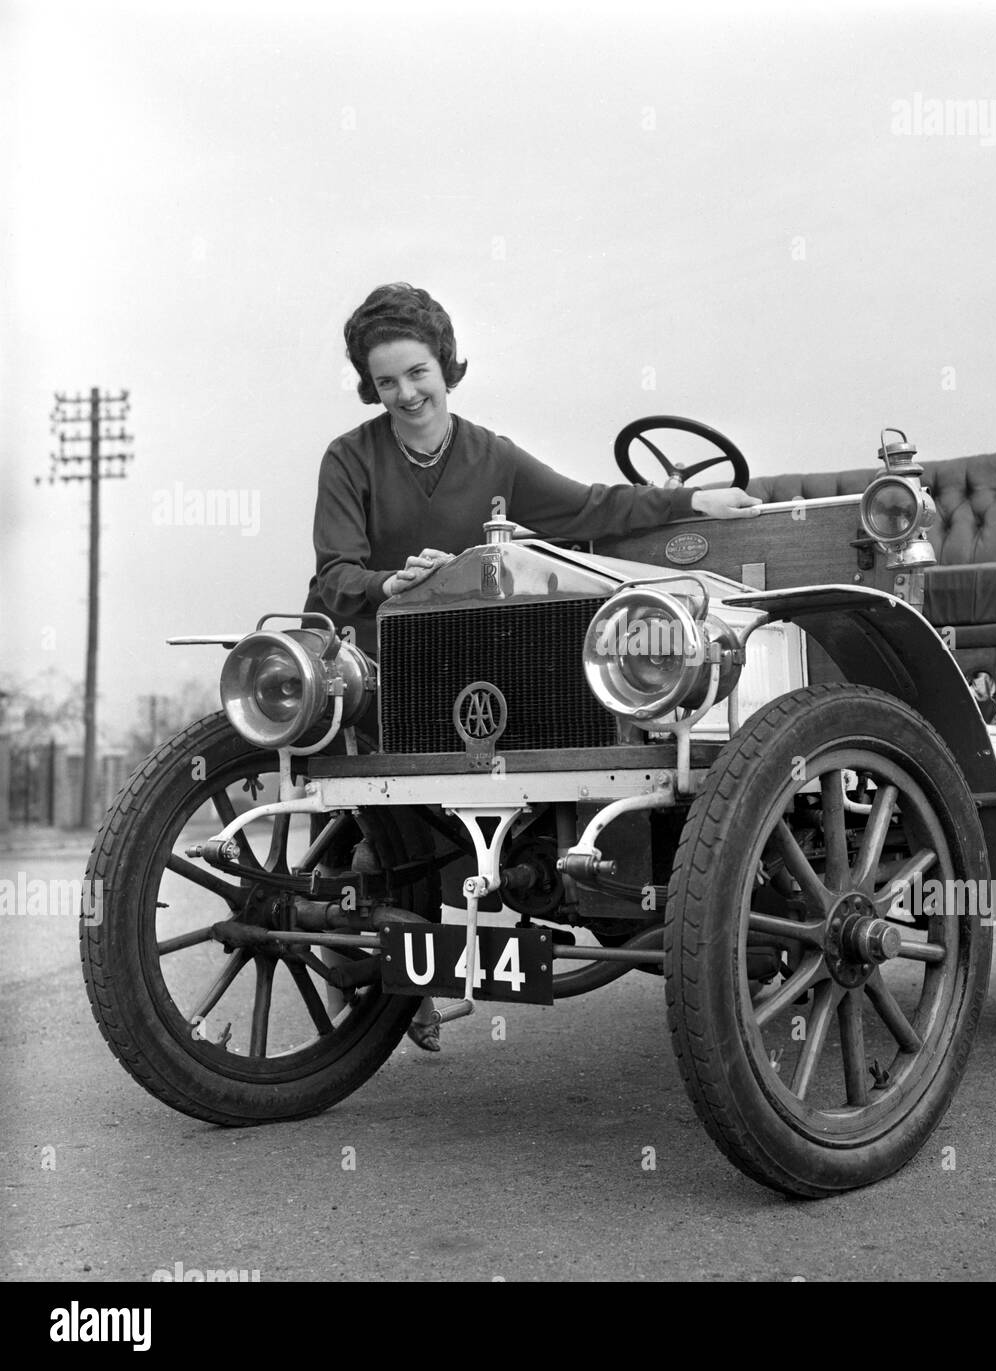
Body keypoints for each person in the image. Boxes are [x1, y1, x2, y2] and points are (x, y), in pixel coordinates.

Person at [304, 282, 760, 1049]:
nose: (407, 394)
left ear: (446, 366)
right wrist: (393, 583)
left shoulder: (493, 456)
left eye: (418, 373)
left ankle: (539, 867)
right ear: (370, 386)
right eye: (387, 382)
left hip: (494, 674)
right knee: (368, 791)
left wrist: (686, 503)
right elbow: (333, 578)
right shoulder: (350, 458)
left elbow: (589, 509)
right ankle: (385, 932)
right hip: (391, 669)